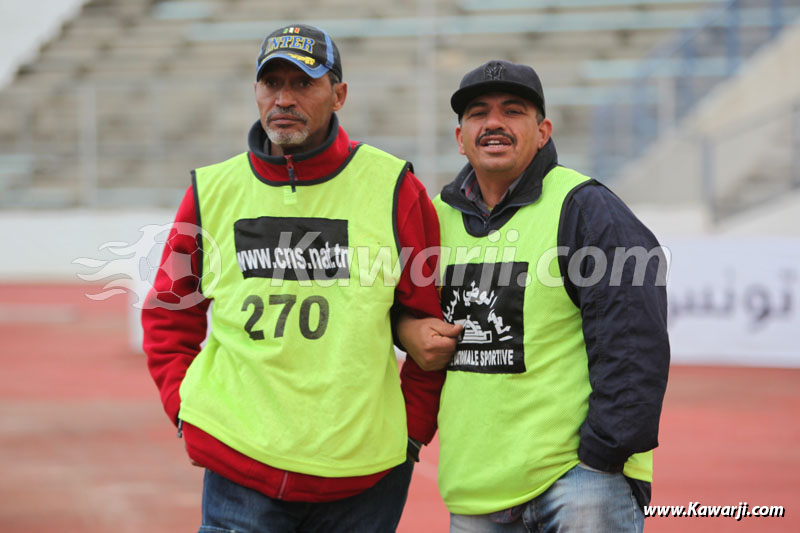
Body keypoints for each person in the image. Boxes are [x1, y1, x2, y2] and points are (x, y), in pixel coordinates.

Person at [142, 23, 447, 532]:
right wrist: (186, 408)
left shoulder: (395, 187)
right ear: (256, 92)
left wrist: (410, 433)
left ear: (339, 94)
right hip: (239, 468)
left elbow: (432, 326)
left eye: (303, 83)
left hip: (364, 480)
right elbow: (170, 313)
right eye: (271, 83)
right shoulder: (213, 189)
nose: (283, 98)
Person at [397, 60, 670, 532]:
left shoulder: (585, 207)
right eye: (478, 113)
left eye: (513, 111)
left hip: (579, 485)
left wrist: (602, 457)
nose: (494, 123)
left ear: (542, 131)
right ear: (459, 137)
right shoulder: (432, 218)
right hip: (474, 493)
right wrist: (405, 328)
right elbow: (398, 314)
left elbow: (633, 340)